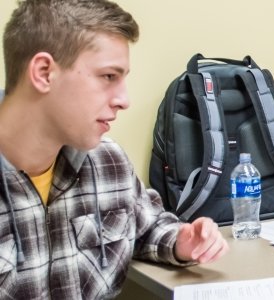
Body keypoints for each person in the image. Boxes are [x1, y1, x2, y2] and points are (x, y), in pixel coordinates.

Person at [0, 0, 228, 298]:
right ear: (44, 72)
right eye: (109, 76)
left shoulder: (107, 159)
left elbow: (144, 226)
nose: (124, 99)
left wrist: (182, 240)